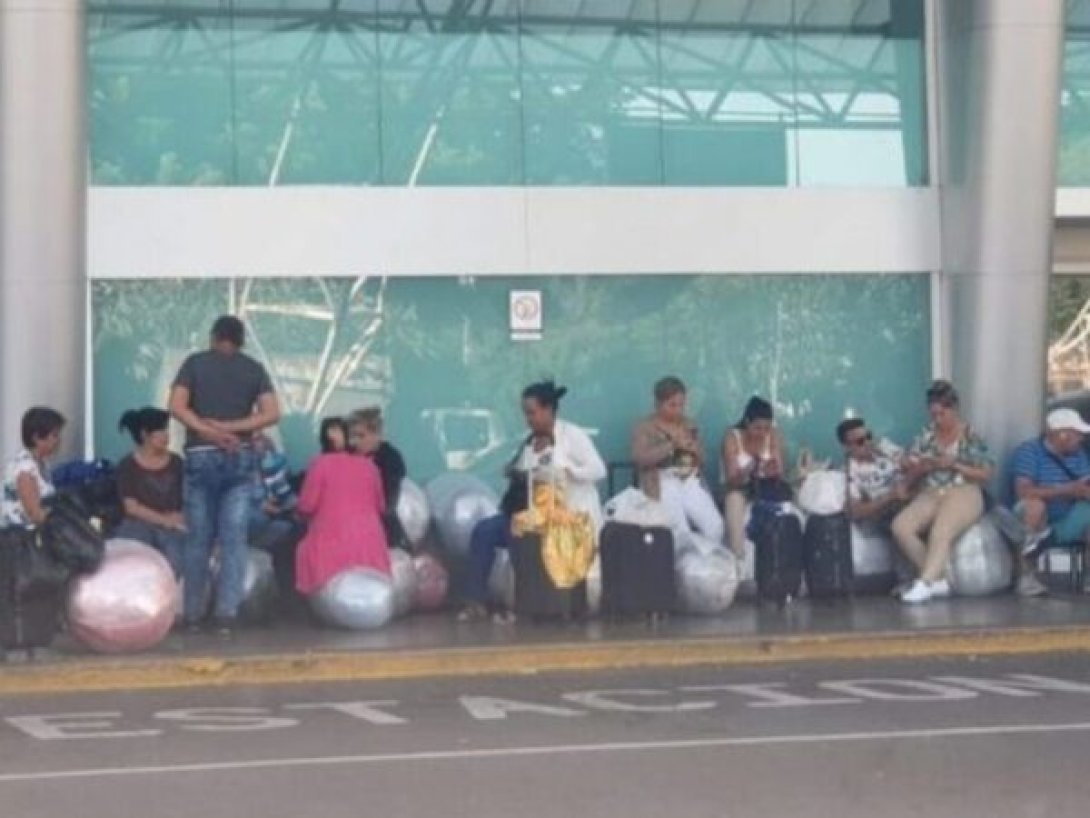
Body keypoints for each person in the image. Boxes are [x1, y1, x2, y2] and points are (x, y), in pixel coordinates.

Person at [169, 315, 281, 636]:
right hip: (239, 456)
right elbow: (272, 413)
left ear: (213, 336)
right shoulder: (253, 369)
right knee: (234, 541)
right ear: (241, 340)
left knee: (198, 540)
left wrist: (208, 430)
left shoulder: (194, 363)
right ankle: (225, 617)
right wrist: (233, 429)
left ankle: (192, 615)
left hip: (201, 456)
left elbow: (176, 406)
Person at [458, 381, 606, 623]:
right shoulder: (529, 443)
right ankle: (475, 600)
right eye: (525, 414)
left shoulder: (571, 436)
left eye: (532, 412)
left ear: (549, 410)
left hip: (566, 519)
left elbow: (598, 470)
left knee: (523, 539)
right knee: (485, 531)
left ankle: (525, 603)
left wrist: (565, 470)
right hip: (533, 514)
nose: (528, 419)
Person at [893, 380, 994, 604]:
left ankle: (925, 582)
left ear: (953, 409)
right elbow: (913, 465)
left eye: (942, 414)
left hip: (964, 490)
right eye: (934, 415)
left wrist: (955, 464)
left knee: (941, 530)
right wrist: (919, 467)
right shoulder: (926, 436)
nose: (938, 420)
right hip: (931, 490)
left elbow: (986, 473)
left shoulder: (970, 435)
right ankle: (937, 579)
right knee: (901, 527)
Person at [294, 415, 391, 597]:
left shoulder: (320, 465)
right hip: (371, 552)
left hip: (331, 555)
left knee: (300, 546)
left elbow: (306, 506)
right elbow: (381, 506)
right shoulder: (370, 467)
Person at [1008, 408, 1090, 597]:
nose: (1081, 439)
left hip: (1071, 515)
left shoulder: (1079, 455)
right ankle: (1026, 575)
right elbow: (1023, 491)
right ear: (1062, 435)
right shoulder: (1029, 451)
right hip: (1040, 514)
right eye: (1077, 434)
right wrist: (1066, 489)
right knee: (1034, 506)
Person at [631, 376, 723, 543]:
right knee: (679, 530)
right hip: (661, 481)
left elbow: (702, 459)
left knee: (715, 526)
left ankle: (708, 564)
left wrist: (695, 451)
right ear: (658, 404)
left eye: (681, 405)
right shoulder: (644, 426)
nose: (678, 410)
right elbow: (640, 459)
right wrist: (671, 446)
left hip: (688, 478)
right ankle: (681, 567)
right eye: (672, 405)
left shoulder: (688, 424)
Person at [114, 407, 186, 577]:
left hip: (173, 524)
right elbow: (131, 507)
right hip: (139, 524)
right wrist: (164, 521)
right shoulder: (127, 466)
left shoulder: (177, 463)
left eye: (166, 430)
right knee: (137, 559)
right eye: (160, 431)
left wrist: (179, 517)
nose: (166, 436)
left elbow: (189, 497)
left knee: (177, 559)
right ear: (145, 434)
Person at [721, 396, 787, 557]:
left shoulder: (773, 435)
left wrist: (773, 471)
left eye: (766, 428)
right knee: (734, 501)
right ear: (747, 422)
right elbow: (731, 480)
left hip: (766, 489)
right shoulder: (732, 437)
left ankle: (780, 562)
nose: (762, 433)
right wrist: (748, 470)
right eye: (757, 428)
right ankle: (738, 558)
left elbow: (780, 472)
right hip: (739, 489)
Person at [348, 407, 409, 548]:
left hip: (381, 531)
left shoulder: (390, 459)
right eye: (352, 436)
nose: (354, 442)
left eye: (361, 436)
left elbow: (388, 504)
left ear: (377, 435)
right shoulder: (346, 456)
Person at [2, 407, 65, 529]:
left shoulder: (41, 463)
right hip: (20, 540)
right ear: (36, 437)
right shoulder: (25, 470)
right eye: (54, 435)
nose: (59, 441)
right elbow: (35, 514)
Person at [837, 417, 906, 529]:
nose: (868, 443)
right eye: (860, 441)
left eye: (868, 436)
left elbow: (911, 464)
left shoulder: (884, 448)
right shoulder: (849, 472)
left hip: (914, 499)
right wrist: (891, 496)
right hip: (891, 517)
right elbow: (854, 511)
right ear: (846, 447)